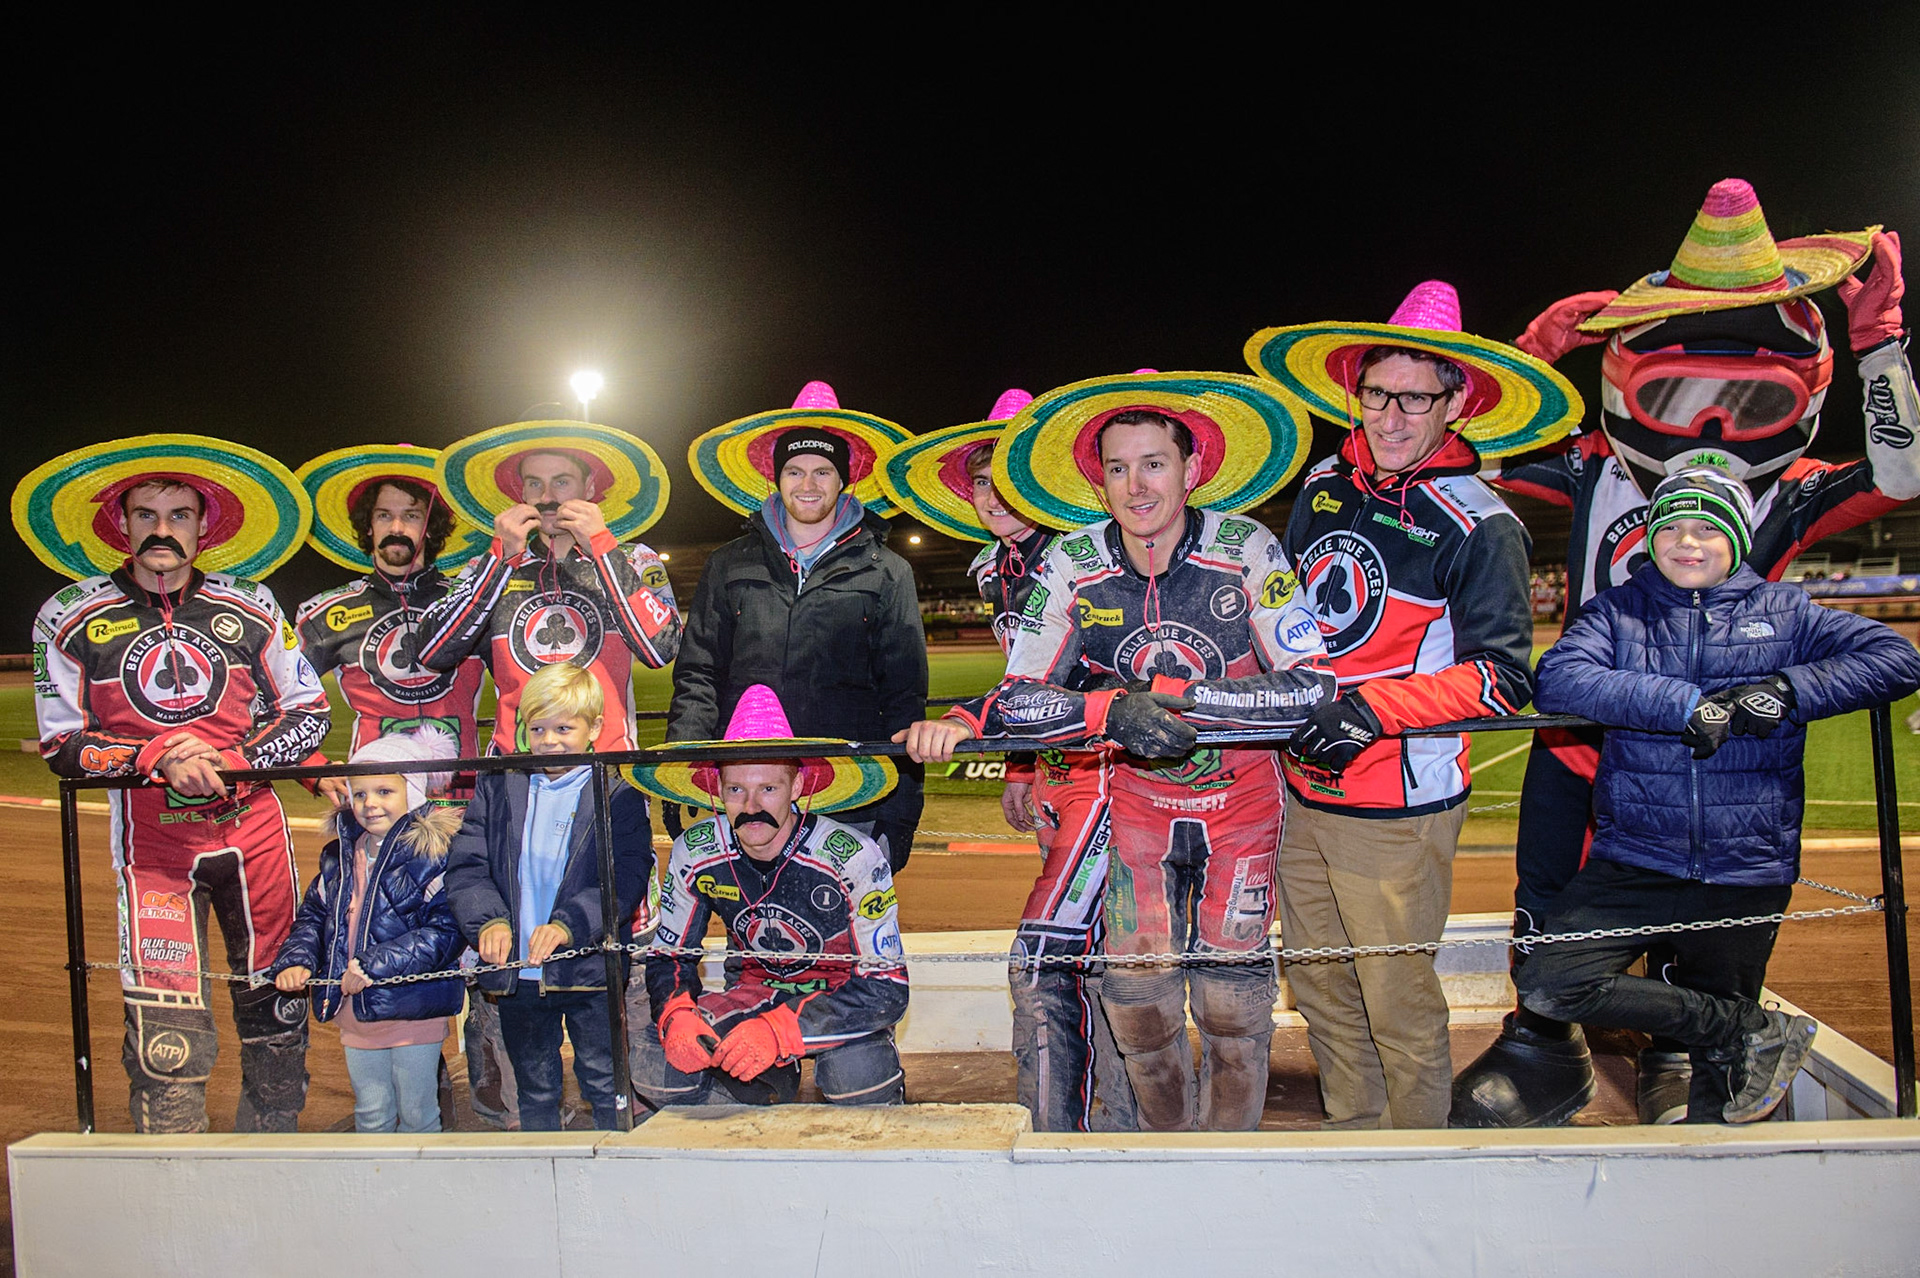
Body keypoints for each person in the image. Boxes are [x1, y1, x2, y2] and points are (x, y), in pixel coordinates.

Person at [1461, 179, 1920, 1126]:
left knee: (1700, 913)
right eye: (1683, 388)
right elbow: (1463, 450)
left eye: (1738, 392)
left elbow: (1902, 468)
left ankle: (1683, 1043)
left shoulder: (1791, 487)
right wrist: (1533, 356)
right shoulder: (1592, 460)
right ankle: (1545, 1047)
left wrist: (1879, 340)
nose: (1709, 416)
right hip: (1587, 729)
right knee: (1547, 899)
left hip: (1711, 751)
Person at [899, 370, 1332, 1131]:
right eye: (1120, 468)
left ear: (1192, 470)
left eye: (1155, 463)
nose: (1138, 486)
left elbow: (1310, 686)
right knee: (1137, 1003)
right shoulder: (1072, 560)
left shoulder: (1246, 546)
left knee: (1235, 1002)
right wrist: (1107, 710)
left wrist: (1183, 706)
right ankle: (1162, 1166)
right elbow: (1019, 694)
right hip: (1137, 812)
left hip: (1243, 807)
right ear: (1099, 484)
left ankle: (1228, 1168)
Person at [1249, 281, 1560, 1130]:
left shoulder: (1481, 523)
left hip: (1398, 803)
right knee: (1316, 981)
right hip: (1301, 790)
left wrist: (1373, 712)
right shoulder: (1320, 484)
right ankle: (1358, 1136)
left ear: (1456, 403)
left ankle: (1420, 1159)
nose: (1390, 417)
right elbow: (1284, 612)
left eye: (1415, 399)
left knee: (1395, 999)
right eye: (1378, 394)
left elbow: (1502, 679)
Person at [1519, 469, 1920, 1122]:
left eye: (1707, 526)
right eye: (1672, 526)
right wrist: (1685, 706)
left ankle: (1714, 1129)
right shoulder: (1617, 611)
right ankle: (1744, 1027)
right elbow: (1560, 679)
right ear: (1652, 538)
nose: (1688, 541)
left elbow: (1896, 660)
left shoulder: (1786, 612)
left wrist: (1785, 692)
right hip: (1635, 859)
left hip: (1746, 863)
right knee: (1550, 983)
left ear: (1735, 538)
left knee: (1720, 1086)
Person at [18, 435, 331, 1133]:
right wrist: (160, 753)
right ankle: (172, 1168)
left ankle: (272, 1149)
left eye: (180, 515)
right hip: (153, 848)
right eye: (146, 515)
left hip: (255, 838)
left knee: (275, 1002)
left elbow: (308, 711)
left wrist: (230, 758)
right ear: (119, 523)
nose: (162, 530)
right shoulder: (67, 613)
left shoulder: (253, 605)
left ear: (204, 526)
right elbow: (61, 742)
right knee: (167, 1021)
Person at [878, 391, 1136, 1131]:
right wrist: (1023, 765)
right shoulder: (992, 565)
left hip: (1113, 773)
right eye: (980, 481)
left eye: (1008, 478)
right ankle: (1097, 1121)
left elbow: (1080, 673)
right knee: (1095, 953)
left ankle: (1096, 1131)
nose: (990, 495)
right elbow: (1028, 670)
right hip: (1059, 772)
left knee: (1069, 958)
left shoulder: (1084, 548)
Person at [674, 381, 926, 869]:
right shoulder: (728, 563)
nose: (807, 484)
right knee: (753, 930)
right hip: (749, 789)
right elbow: (698, 674)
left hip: (850, 795)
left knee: (846, 937)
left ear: (844, 481)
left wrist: (901, 808)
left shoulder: (889, 570)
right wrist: (685, 774)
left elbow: (904, 697)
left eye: (822, 472)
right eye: (794, 470)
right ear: (777, 478)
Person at [633, 684, 909, 1107]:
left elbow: (888, 986)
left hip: (837, 997)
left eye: (769, 789)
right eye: (736, 790)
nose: (750, 806)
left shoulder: (852, 856)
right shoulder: (697, 849)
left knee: (857, 1078)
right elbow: (669, 956)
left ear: (798, 784)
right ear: (716, 788)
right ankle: (748, 1102)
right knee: (657, 1067)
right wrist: (677, 1012)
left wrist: (782, 1031)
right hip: (752, 995)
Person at [444, 662, 654, 1130]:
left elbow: (625, 878)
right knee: (534, 1087)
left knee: (603, 1080)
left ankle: (617, 1172)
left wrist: (568, 924)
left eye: (564, 727)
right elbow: (466, 866)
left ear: (595, 727)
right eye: (538, 728)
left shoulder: (617, 792)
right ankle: (542, 1169)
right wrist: (490, 922)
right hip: (518, 973)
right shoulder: (499, 785)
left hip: (589, 969)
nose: (550, 740)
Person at [414, 422, 681, 754]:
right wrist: (499, 559)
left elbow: (660, 651)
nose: (547, 497)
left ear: (590, 486)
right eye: (534, 484)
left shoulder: (635, 558)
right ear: (521, 493)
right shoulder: (487, 566)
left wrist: (601, 546)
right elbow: (432, 653)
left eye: (562, 482)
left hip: (609, 773)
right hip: (513, 774)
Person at [269, 727, 469, 1133]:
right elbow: (313, 916)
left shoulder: (433, 854)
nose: (369, 804)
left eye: (383, 792)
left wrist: (373, 964)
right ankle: (375, 1192)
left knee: (418, 1114)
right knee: (371, 1113)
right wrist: (297, 960)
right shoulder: (339, 856)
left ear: (412, 794)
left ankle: (420, 1194)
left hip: (413, 1009)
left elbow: (446, 931)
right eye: (359, 793)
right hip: (355, 1011)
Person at [293, 451, 488, 800]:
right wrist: (313, 770)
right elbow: (278, 700)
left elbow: (523, 689)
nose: (396, 529)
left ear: (430, 526)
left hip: (465, 802)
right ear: (369, 526)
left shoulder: (472, 604)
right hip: (375, 805)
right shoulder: (324, 612)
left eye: (411, 516)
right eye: (384, 515)